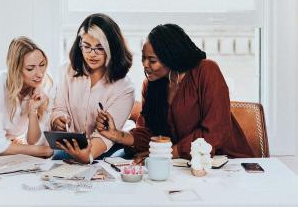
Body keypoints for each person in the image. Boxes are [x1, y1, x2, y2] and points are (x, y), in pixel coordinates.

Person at [96, 24, 254, 162]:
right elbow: (149, 133)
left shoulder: (206, 71)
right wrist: (116, 134)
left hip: (225, 162)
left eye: (152, 60)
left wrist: (169, 153)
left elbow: (216, 130)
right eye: (143, 58)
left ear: (170, 58)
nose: (145, 65)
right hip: (181, 164)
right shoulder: (151, 86)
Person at [50, 13, 135, 163]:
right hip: (75, 147)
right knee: (58, 158)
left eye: (99, 48)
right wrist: (58, 119)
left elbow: (106, 135)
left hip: (107, 148)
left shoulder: (124, 87)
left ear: (112, 48)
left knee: (63, 158)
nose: (92, 54)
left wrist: (87, 155)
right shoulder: (66, 71)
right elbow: (59, 107)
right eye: (87, 47)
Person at [0, 37, 54, 157]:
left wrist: (33, 111)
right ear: (15, 69)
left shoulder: (46, 83)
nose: (40, 74)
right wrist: (44, 151)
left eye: (42, 65)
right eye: (30, 68)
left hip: (15, 152)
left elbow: (34, 141)